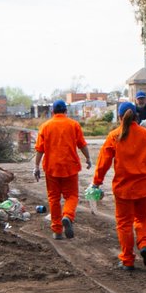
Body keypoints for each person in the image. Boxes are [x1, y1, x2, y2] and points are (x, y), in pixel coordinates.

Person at [92, 102, 146, 271]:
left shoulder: (114, 136)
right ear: (137, 116)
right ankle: (144, 245)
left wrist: (96, 183)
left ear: (120, 117)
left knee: (124, 224)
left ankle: (127, 260)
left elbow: (103, 163)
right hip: (145, 187)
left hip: (123, 189)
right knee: (142, 218)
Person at [33, 100, 92, 240]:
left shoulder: (45, 126)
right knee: (71, 196)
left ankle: (57, 231)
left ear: (52, 111)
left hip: (51, 168)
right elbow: (82, 145)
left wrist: (36, 167)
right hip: (70, 167)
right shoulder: (73, 124)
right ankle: (68, 216)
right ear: (66, 111)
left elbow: (40, 150)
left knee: (54, 198)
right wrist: (88, 158)